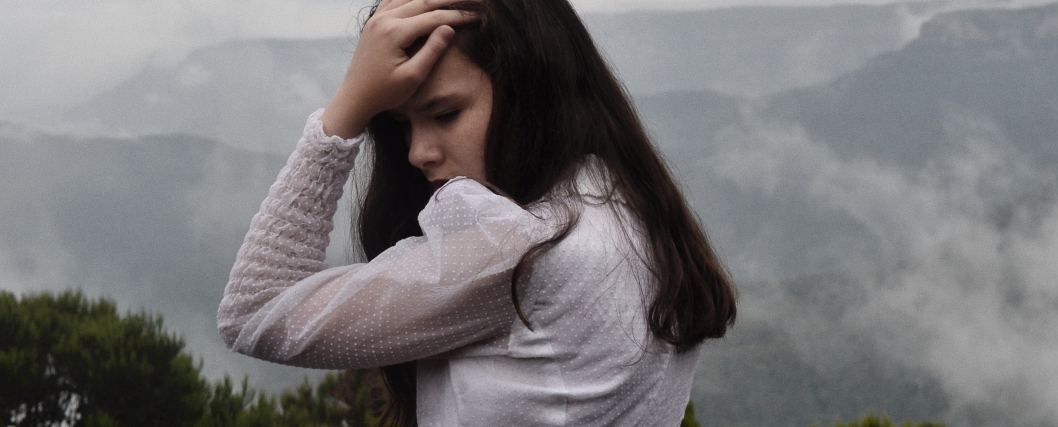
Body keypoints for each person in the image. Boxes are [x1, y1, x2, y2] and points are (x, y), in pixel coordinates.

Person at [216, 0, 737, 425]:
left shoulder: (522, 245)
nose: (418, 152)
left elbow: (254, 311)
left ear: (532, 91)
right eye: (400, 126)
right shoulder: (624, 205)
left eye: (446, 114)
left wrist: (344, 114)